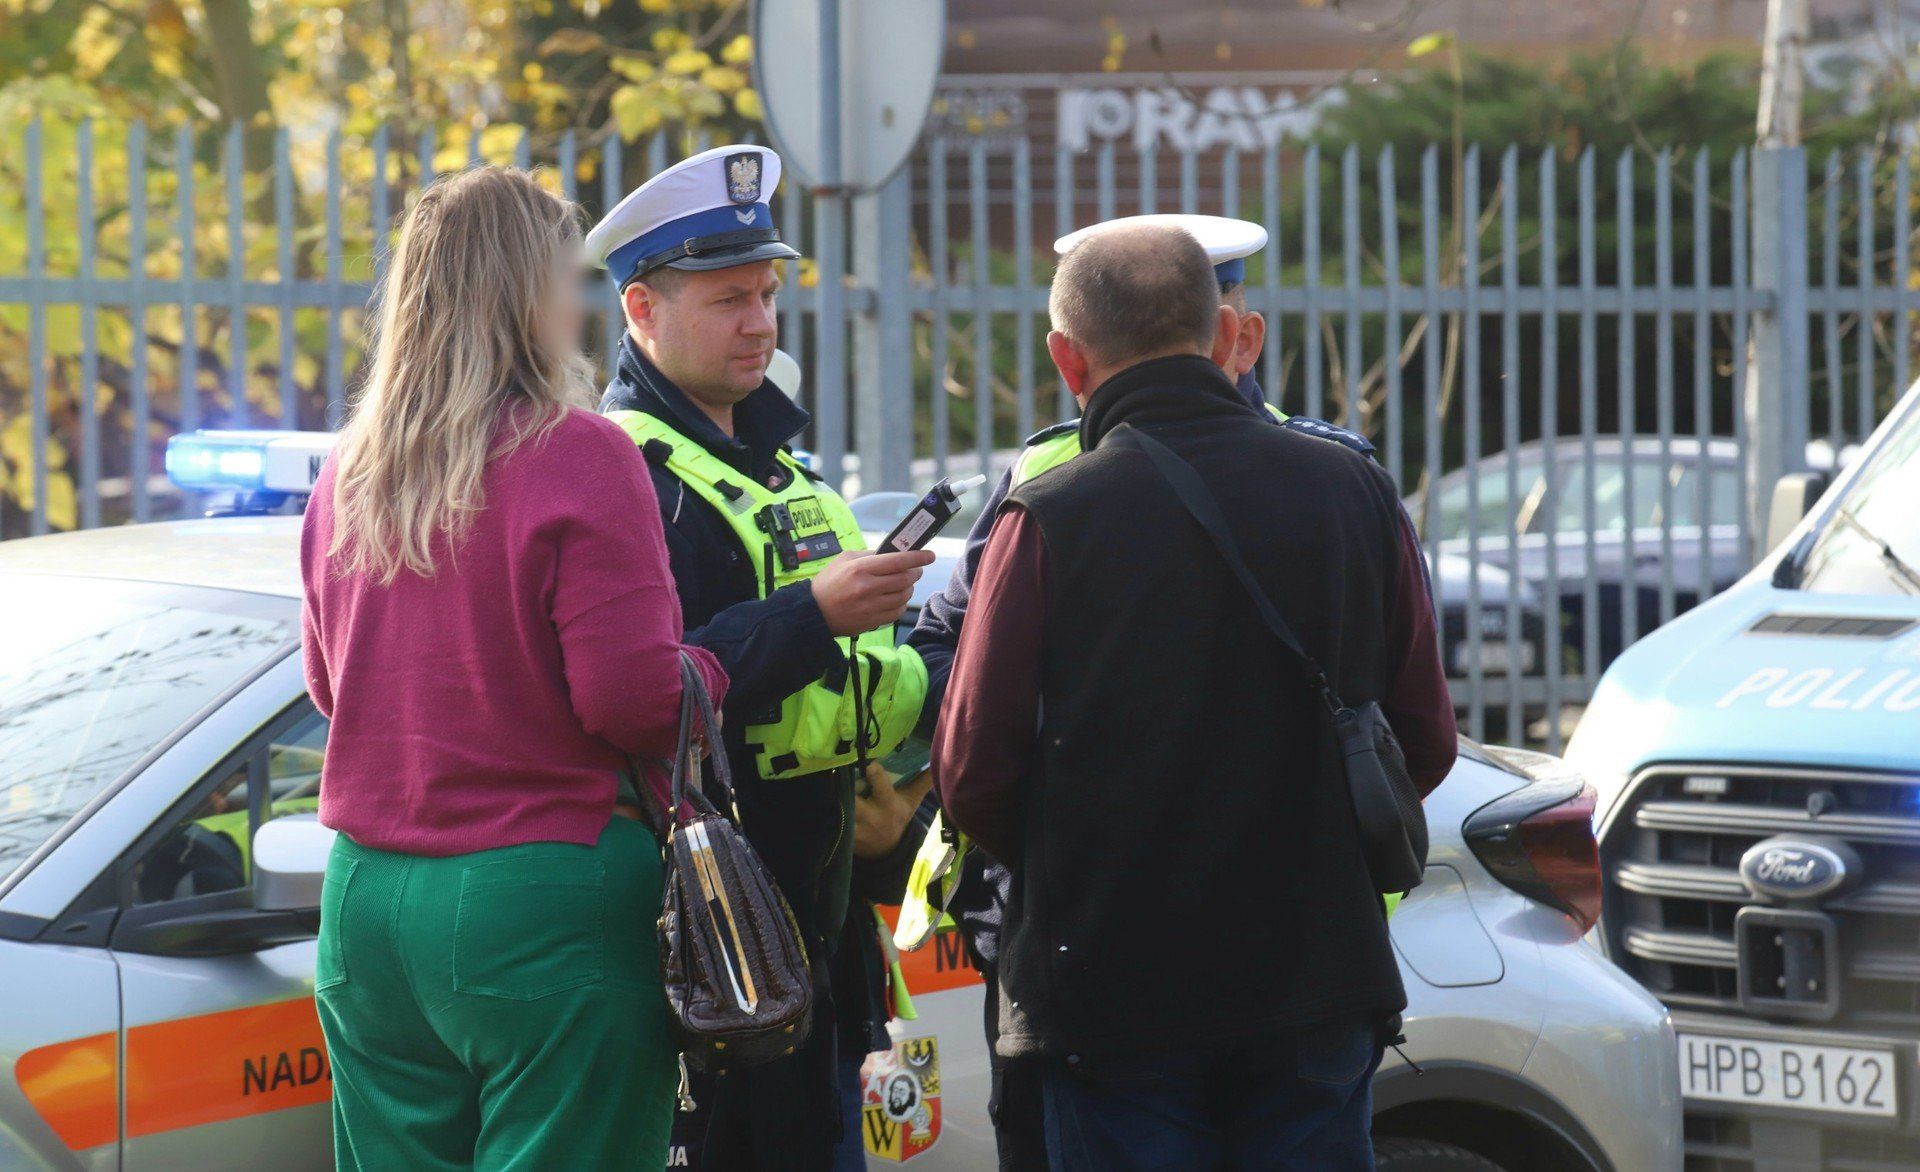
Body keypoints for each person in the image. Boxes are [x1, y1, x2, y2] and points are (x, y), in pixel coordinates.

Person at [933, 222, 1457, 1170]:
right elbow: (1425, 738)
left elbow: (972, 772)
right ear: (1227, 334)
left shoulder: (1046, 515)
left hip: (1111, 987)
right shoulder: (1353, 488)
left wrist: (1087, 865)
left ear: (1067, 358)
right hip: (1317, 974)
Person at [302, 165, 726, 1170]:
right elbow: (631, 699)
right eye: (565, 281)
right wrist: (708, 668)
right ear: (525, 294)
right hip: (543, 892)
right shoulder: (580, 452)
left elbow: (331, 688)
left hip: (365, 904)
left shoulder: (348, 469)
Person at [585, 144, 934, 1171]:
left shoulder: (781, 466)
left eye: (769, 293)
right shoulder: (631, 481)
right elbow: (647, 690)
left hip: (822, 927)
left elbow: (871, 675)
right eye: (730, 298)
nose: (762, 321)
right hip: (714, 941)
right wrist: (810, 615)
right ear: (642, 310)